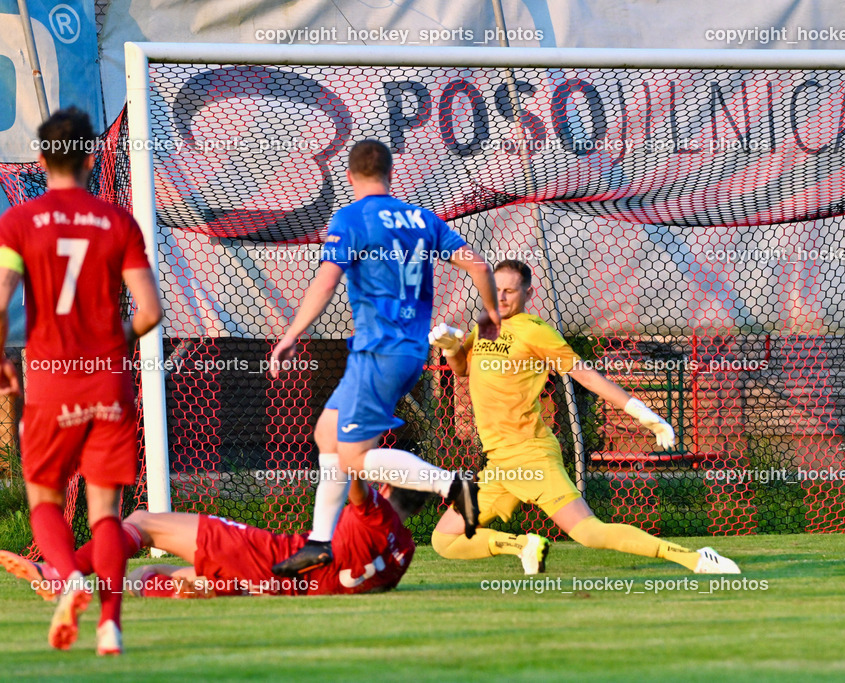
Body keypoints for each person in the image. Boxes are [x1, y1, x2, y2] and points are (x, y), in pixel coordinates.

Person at [268, 139, 500, 577]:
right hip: (406, 351)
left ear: (351, 177)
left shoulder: (351, 218)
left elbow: (325, 281)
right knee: (327, 435)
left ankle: (453, 483)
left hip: (379, 352)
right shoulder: (423, 219)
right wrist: (491, 315)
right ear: (391, 175)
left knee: (354, 458)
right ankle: (320, 542)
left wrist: (292, 333)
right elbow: (480, 266)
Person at [428, 260, 740, 575]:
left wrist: (641, 411)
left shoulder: (537, 332)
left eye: (510, 290)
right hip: (499, 464)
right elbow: (463, 370)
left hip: (530, 457)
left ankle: (697, 559)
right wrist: (452, 348)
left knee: (589, 532)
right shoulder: (485, 325)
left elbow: (587, 377)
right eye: (496, 290)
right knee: (445, 539)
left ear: (528, 293)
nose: (502, 297)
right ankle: (523, 546)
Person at [0, 108, 163, 654]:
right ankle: (110, 625)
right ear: (93, 160)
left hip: (49, 381)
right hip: (108, 381)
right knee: (105, 513)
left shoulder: (18, 222)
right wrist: (111, 340)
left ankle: (69, 580)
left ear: (40, 160)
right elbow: (149, 312)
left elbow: (0, 301)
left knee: (44, 497)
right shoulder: (119, 223)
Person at [0, 477, 429, 600]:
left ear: (387, 488)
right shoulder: (403, 552)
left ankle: (60, 573)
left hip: (266, 556)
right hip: (277, 587)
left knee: (143, 520)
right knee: (152, 573)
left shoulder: (373, 510)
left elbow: (348, 463)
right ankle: (161, 585)